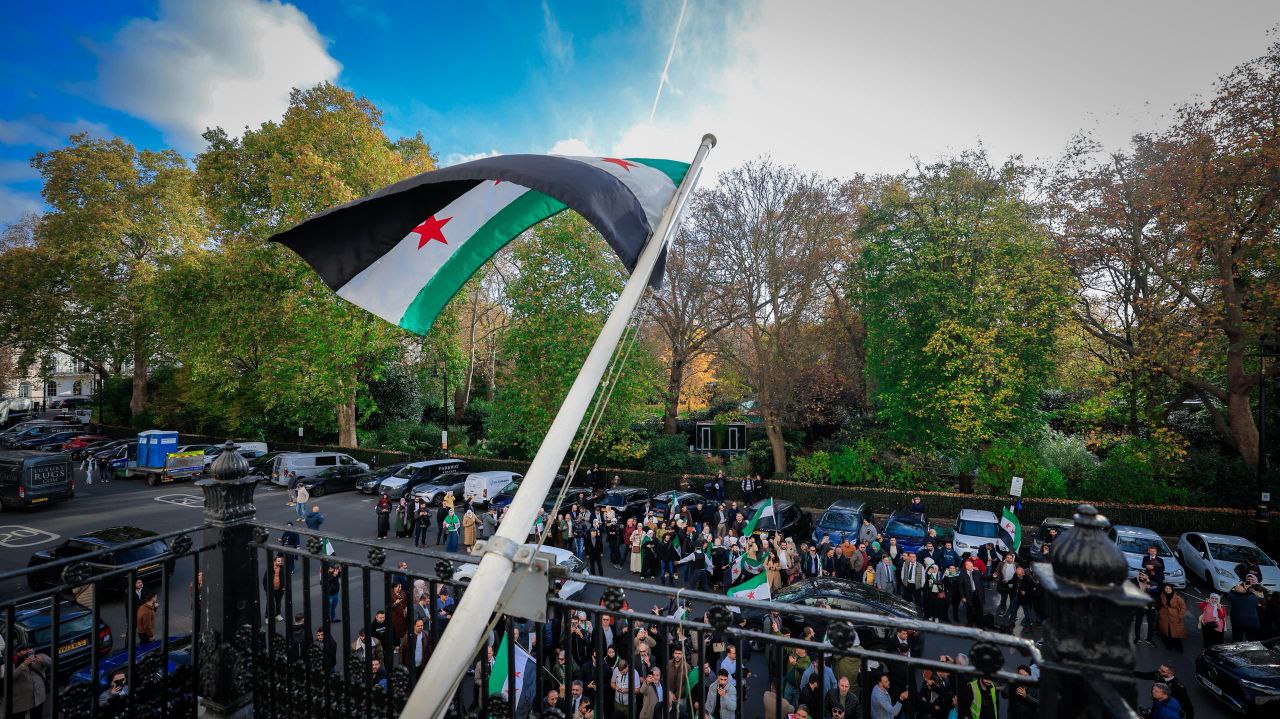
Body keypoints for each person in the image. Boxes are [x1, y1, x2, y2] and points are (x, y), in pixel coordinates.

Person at [9, 644, 52, 719]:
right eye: (24, 650)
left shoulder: (39, 656)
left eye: (29, 649)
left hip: (38, 697)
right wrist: (23, 665)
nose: (27, 651)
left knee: (37, 716)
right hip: (21, 701)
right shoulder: (13, 661)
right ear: (17, 653)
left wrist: (43, 660)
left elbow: (51, 664)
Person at [1155, 584, 1187, 651]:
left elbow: (1183, 608)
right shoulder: (1162, 596)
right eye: (1166, 588)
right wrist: (1160, 611)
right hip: (1164, 617)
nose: (1168, 590)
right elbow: (1157, 604)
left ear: (1172, 589)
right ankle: (1168, 645)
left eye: (1169, 588)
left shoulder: (1178, 598)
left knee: (1175, 633)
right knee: (1167, 632)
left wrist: (1180, 616)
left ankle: (1178, 647)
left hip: (1174, 617)